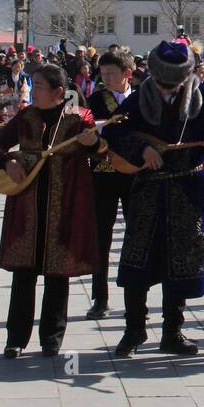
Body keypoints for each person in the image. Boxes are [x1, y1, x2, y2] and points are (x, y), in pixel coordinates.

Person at [107, 42, 204, 357]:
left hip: (187, 190)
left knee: (180, 262)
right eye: (162, 83)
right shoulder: (138, 100)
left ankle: (172, 331)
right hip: (146, 189)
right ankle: (134, 329)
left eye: (173, 84)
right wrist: (141, 150)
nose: (166, 89)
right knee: (138, 259)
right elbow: (114, 132)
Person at [0, 64, 103, 358]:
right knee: (23, 274)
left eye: (37, 85)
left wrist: (95, 142)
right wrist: (7, 162)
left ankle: (51, 338)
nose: (32, 89)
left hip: (65, 206)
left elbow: (100, 150)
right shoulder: (25, 117)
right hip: (27, 207)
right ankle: (16, 338)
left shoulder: (79, 118)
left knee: (57, 274)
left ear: (58, 92)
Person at [85, 51, 136, 320]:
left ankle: (134, 298)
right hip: (103, 174)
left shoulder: (140, 99)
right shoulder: (95, 99)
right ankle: (99, 297)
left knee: (135, 235)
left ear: (127, 73)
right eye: (103, 74)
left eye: (111, 74)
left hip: (133, 175)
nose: (106, 79)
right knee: (100, 236)